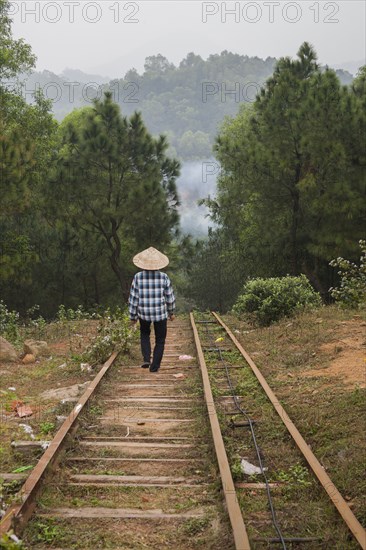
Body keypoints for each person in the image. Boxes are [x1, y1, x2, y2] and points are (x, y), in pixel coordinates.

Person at [128, 247, 176, 373]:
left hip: (143, 313)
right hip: (160, 313)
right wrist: (171, 312)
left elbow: (133, 298)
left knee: (144, 334)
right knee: (160, 340)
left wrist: (133, 316)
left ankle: (146, 359)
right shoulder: (164, 277)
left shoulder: (138, 277)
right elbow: (169, 297)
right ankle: (154, 367)